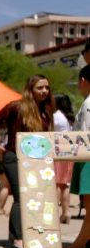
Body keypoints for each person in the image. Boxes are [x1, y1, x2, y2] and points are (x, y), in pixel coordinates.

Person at [0, 74, 55, 248]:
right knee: (21, 196)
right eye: (40, 88)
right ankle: (16, 237)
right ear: (30, 90)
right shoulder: (16, 107)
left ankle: (32, 233)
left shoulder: (46, 111)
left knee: (36, 197)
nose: (44, 91)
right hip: (14, 157)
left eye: (46, 88)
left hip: (37, 159)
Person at [64, 66, 90, 248]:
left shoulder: (88, 104)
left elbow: (85, 134)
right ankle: (80, 242)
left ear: (83, 81)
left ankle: (80, 244)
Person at [53, 94, 74, 223]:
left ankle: (54, 213)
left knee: (54, 184)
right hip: (68, 151)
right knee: (64, 184)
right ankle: (66, 212)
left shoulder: (56, 116)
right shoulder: (68, 117)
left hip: (57, 151)